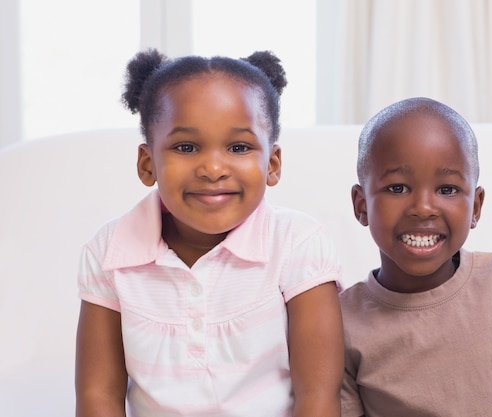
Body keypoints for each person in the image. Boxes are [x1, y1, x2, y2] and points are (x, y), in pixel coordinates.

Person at [75, 49, 344, 417]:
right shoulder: (109, 251)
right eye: (186, 147)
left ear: (273, 164)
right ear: (147, 163)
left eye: (239, 147)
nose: (213, 168)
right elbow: (98, 397)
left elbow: (318, 397)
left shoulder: (298, 244)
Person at [340, 97, 492, 417]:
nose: (423, 208)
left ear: (476, 207)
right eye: (397, 188)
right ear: (361, 205)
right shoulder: (342, 321)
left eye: (447, 189)